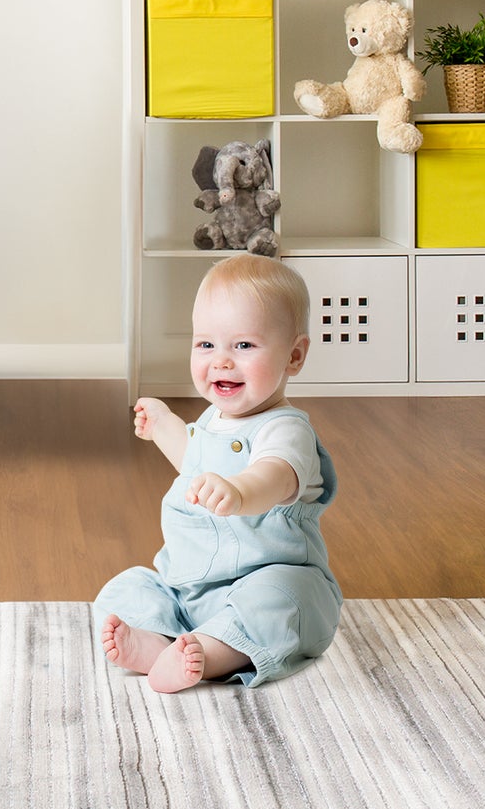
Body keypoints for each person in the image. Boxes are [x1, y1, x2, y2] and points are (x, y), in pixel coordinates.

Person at [94, 252, 341, 692]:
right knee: (125, 588)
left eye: (243, 346)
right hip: (190, 589)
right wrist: (166, 425)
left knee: (280, 602)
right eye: (206, 345)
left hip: (266, 579)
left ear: (294, 356)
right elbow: (195, 461)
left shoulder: (285, 430)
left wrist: (240, 491)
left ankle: (209, 655)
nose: (222, 361)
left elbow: (276, 476)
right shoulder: (212, 420)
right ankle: (159, 641)